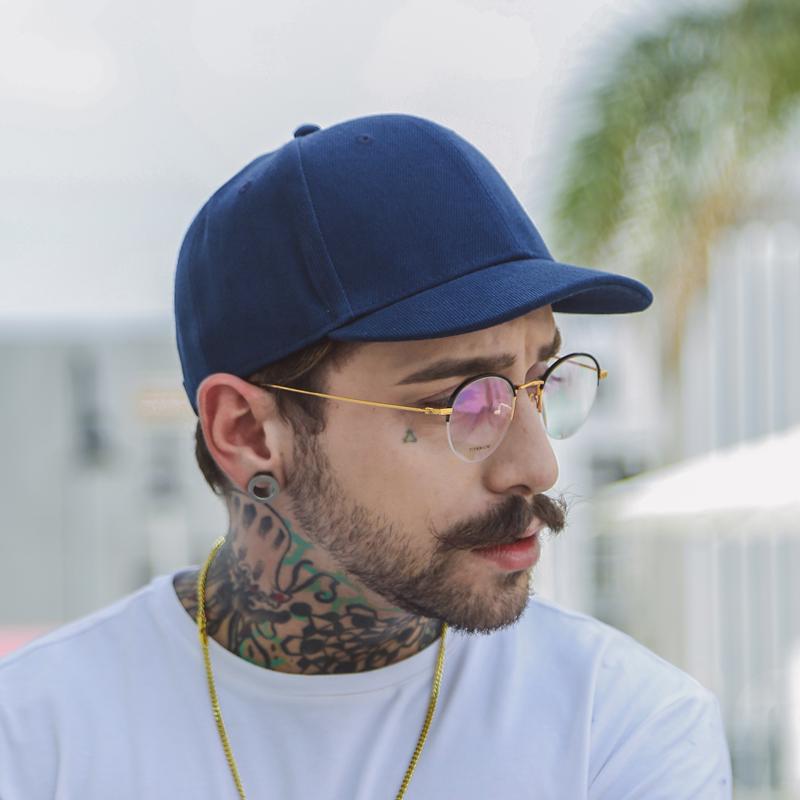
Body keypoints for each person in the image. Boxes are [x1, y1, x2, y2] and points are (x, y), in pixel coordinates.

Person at [0, 113, 732, 799]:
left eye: (540, 382)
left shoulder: (620, 729)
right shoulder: (34, 738)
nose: (538, 467)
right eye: (463, 401)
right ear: (248, 433)